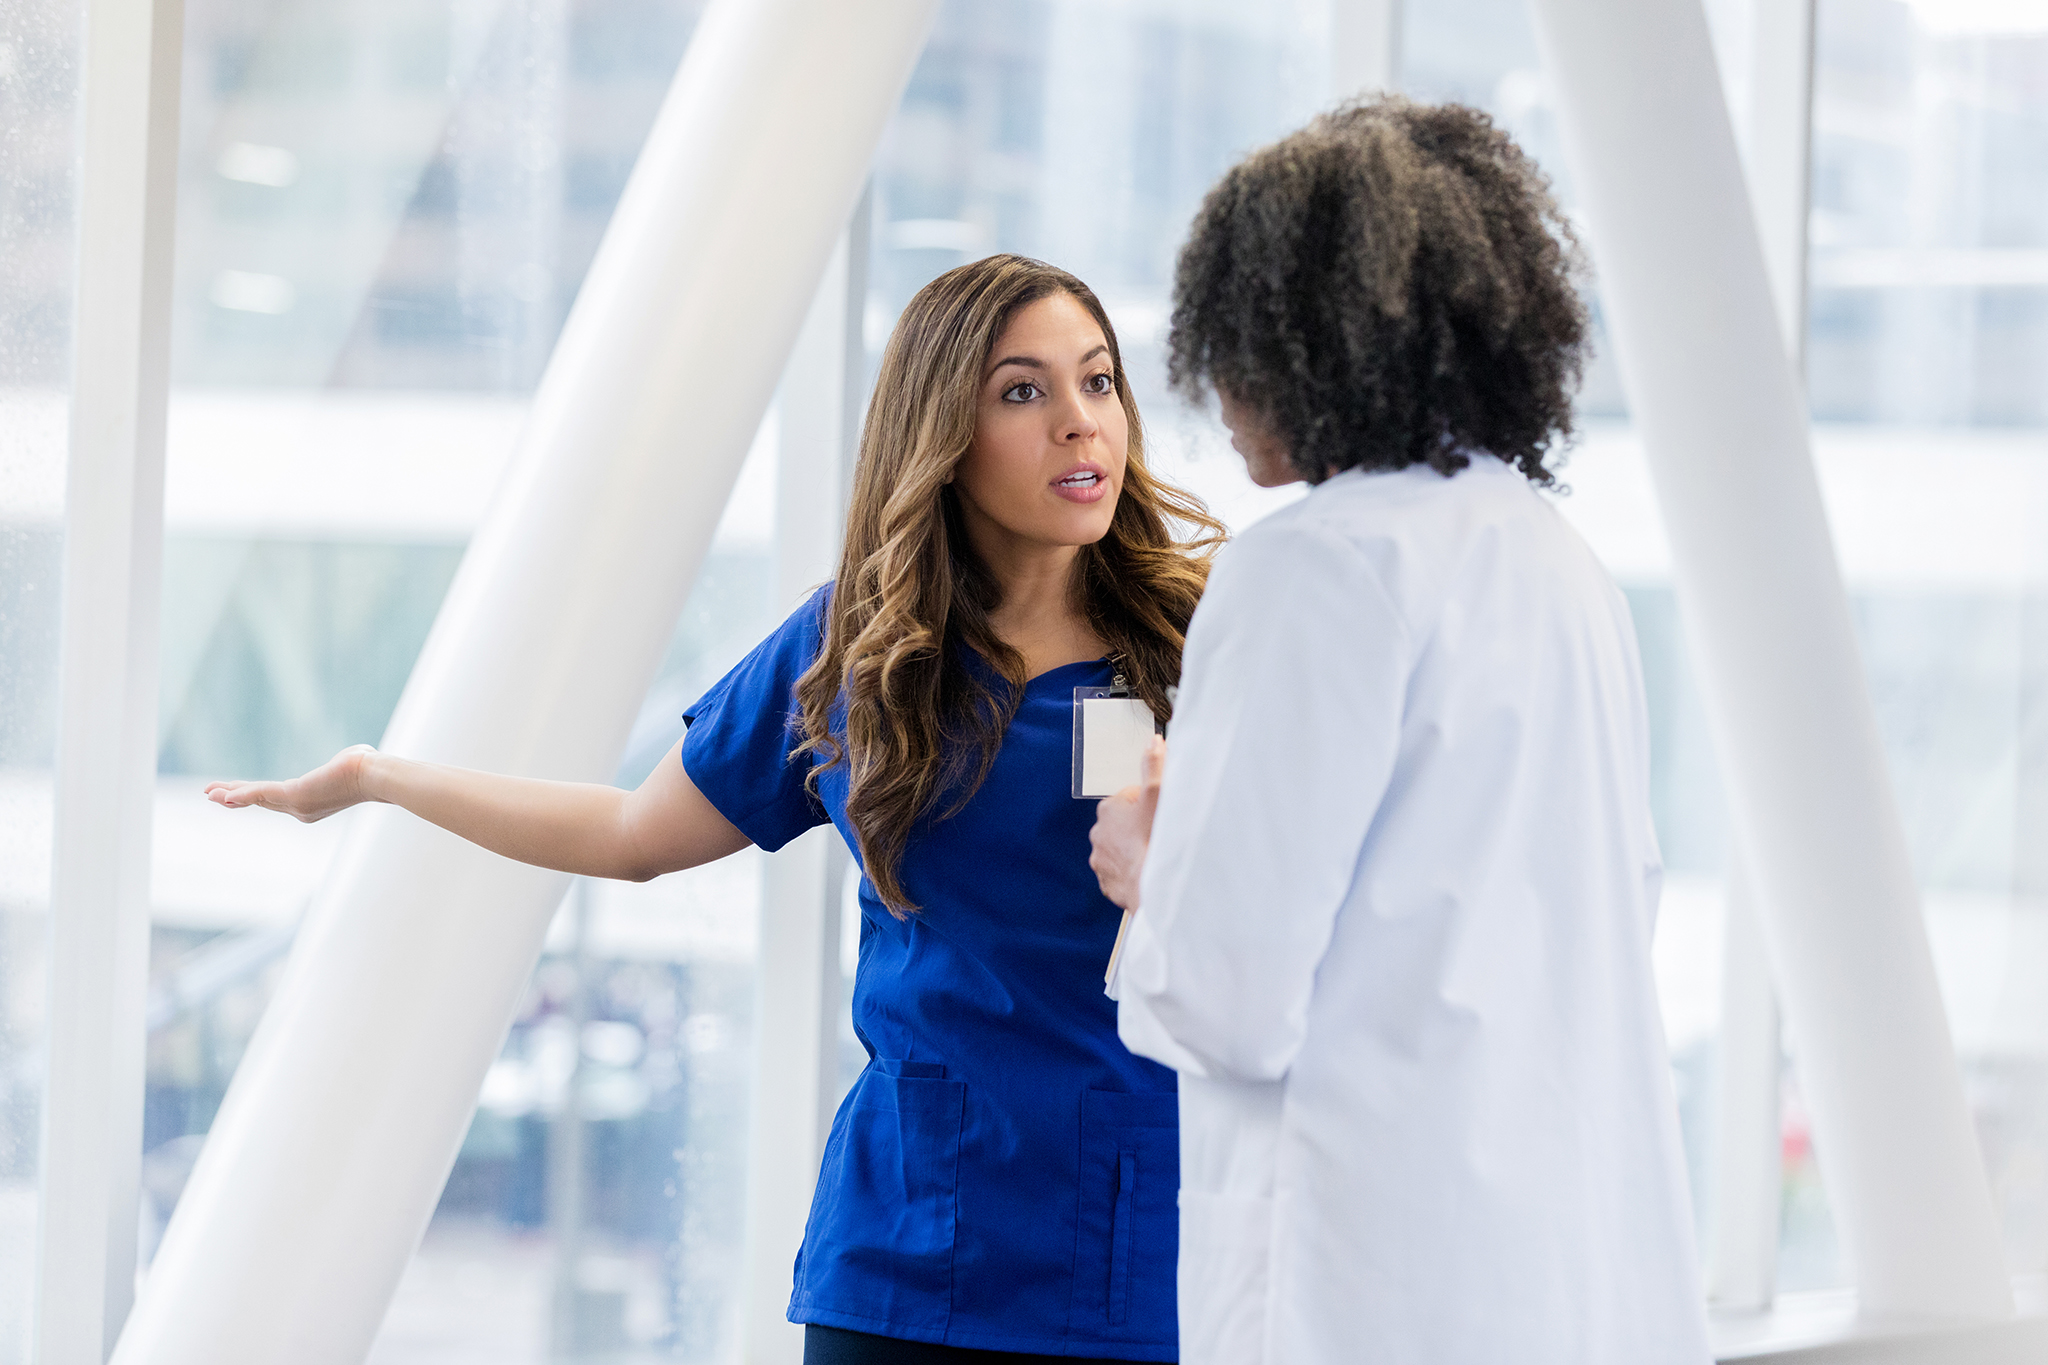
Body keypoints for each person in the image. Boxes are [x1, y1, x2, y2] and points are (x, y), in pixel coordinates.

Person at [209, 254, 1223, 1364]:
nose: (1081, 425)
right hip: (903, 1254)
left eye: (1098, 382)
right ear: (941, 436)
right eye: (1022, 392)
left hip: (1124, 1246)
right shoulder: (863, 652)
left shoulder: (1196, 653)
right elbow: (633, 836)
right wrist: (382, 778)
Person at [1087, 99, 1713, 1365]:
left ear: (1299, 342)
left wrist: (1144, 874)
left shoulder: (1315, 568)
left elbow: (1224, 1001)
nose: (1212, 387)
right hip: (1552, 1276)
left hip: (1366, 1280)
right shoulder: (1554, 563)